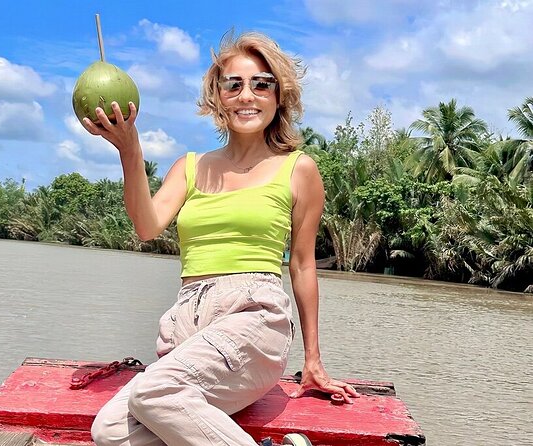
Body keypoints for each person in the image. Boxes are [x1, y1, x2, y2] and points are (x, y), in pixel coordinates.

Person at [81, 31, 359, 446]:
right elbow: (147, 226)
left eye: (261, 84)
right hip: (189, 323)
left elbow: (302, 266)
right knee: (109, 433)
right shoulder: (190, 167)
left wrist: (313, 360)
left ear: (278, 96)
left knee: (153, 392)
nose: (247, 95)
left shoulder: (299, 170)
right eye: (234, 84)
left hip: (254, 320)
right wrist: (129, 150)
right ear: (218, 97)